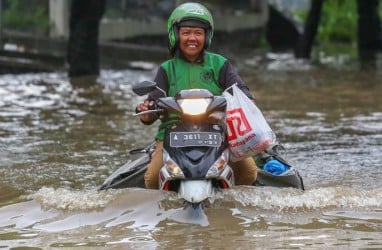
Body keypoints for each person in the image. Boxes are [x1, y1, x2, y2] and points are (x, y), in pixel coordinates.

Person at [136, 2, 257, 189]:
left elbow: (241, 89)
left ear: (206, 36)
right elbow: (153, 101)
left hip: (217, 131)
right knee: (152, 180)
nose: (192, 38)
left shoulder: (220, 63)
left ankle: (229, 202)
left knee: (249, 172)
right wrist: (146, 111)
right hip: (174, 133)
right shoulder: (167, 68)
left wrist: (245, 97)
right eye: (186, 33)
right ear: (175, 35)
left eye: (198, 33)